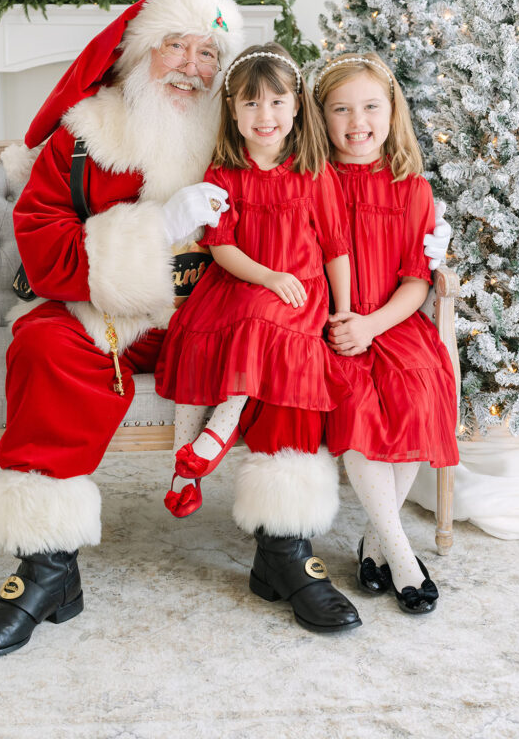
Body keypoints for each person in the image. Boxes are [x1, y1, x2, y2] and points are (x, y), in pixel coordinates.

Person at [0, 0, 244, 656]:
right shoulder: (86, 137)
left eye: (209, 53)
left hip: (214, 319)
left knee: (287, 340)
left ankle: (286, 542)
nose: (192, 66)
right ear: (141, 52)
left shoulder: (245, 129)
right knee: (44, 344)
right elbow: (44, 240)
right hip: (103, 314)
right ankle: (47, 566)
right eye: (176, 45)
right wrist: (155, 230)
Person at [155, 42, 363, 633]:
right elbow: (220, 246)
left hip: (299, 300)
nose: (265, 115)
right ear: (233, 111)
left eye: (276, 101)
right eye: (252, 103)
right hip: (243, 286)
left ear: (296, 107)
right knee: (242, 326)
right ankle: (270, 545)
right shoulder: (224, 174)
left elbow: (335, 248)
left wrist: (344, 315)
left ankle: (283, 547)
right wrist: (268, 275)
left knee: (286, 361)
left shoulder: (312, 173)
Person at [315, 52, 459, 615]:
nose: (358, 122)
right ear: (321, 117)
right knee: (358, 403)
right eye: (341, 109)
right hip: (332, 326)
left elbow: (417, 281)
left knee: (419, 391)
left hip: (391, 322)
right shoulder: (313, 180)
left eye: (371, 107)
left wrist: (375, 323)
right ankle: (401, 556)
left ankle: (378, 542)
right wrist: (350, 325)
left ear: (391, 111)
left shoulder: (410, 188)